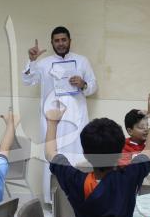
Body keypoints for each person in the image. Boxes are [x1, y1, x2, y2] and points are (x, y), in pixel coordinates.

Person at [22, 26, 97, 202]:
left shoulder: (82, 61)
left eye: (64, 40)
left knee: (76, 154)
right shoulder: (43, 63)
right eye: (57, 40)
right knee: (52, 155)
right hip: (52, 120)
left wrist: (83, 84)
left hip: (76, 118)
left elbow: (93, 86)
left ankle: (79, 197)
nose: (61, 43)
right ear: (52, 43)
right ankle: (52, 200)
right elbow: (28, 80)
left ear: (70, 41)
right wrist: (31, 61)